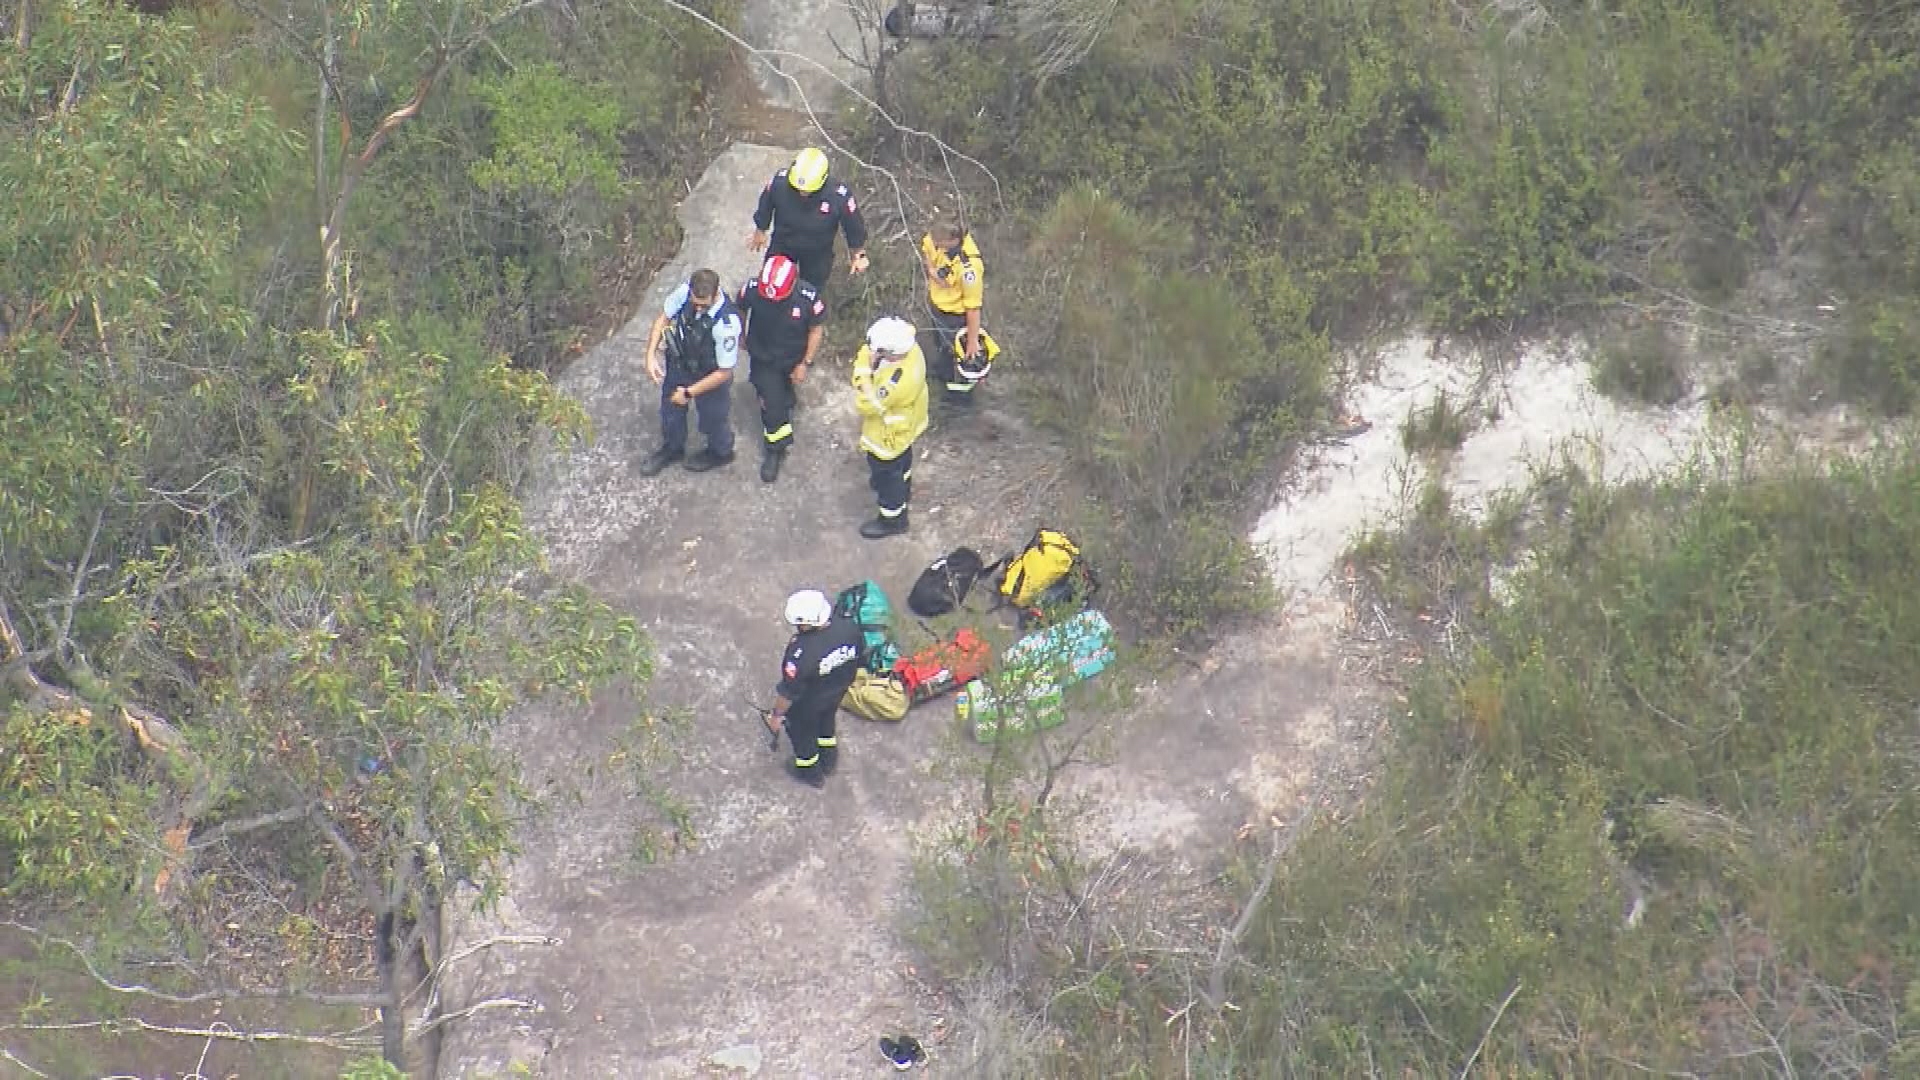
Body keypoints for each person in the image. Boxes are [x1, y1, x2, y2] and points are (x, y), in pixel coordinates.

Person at [639, 268, 742, 476]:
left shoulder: (726, 325)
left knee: (713, 418)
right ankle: (673, 448)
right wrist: (650, 355)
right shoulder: (685, 292)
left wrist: (688, 393)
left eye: (703, 305)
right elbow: (663, 319)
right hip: (682, 362)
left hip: (710, 373)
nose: (697, 308)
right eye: (694, 303)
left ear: (716, 294)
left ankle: (720, 452)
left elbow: (724, 372)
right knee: (670, 410)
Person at [735, 254, 828, 484]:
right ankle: (776, 447)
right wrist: (741, 333)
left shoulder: (808, 297)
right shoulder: (754, 288)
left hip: (793, 355)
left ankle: (786, 395)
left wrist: (804, 363)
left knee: (784, 390)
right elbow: (740, 307)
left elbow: (816, 330)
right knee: (772, 404)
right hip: (764, 356)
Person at [768, 589, 866, 788]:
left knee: (803, 738)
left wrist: (776, 716)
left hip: (807, 705)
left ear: (806, 623)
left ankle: (810, 773)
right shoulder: (848, 627)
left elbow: (788, 691)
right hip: (836, 693)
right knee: (826, 725)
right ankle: (829, 760)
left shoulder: (800, 653)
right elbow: (860, 654)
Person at [749, 147, 870, 296]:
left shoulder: (838, 196)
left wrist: (858, 253)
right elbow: (767, 201)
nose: (802, 192)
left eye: (807, 190)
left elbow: (853, 224)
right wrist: (760, 228)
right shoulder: (780, 183)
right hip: (784, 242)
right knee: (771, 281)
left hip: (817, 251)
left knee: (811, 290)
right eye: (798, 188)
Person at [850, 316, 929, 539]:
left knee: (886, 475)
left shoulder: (895, 382)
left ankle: (893, 519)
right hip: (906, 427)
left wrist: (863, 367)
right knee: (903, 464)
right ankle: (903, 488)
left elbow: (866, 404)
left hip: (887, 438)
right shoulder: (913, 351)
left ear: (891, 353)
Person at [919, 218, 988, 406]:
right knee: (941, 348)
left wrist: (972, 341)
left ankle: (960, 400)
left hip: (956, 318)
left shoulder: (969, 269)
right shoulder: (934, 237)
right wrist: (934, 273)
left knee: (958, 356)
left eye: (939, 241)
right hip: (938, 308)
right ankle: (942, 371)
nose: (934, 242)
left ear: (953, 240)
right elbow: (927, 254)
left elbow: (973, 308)